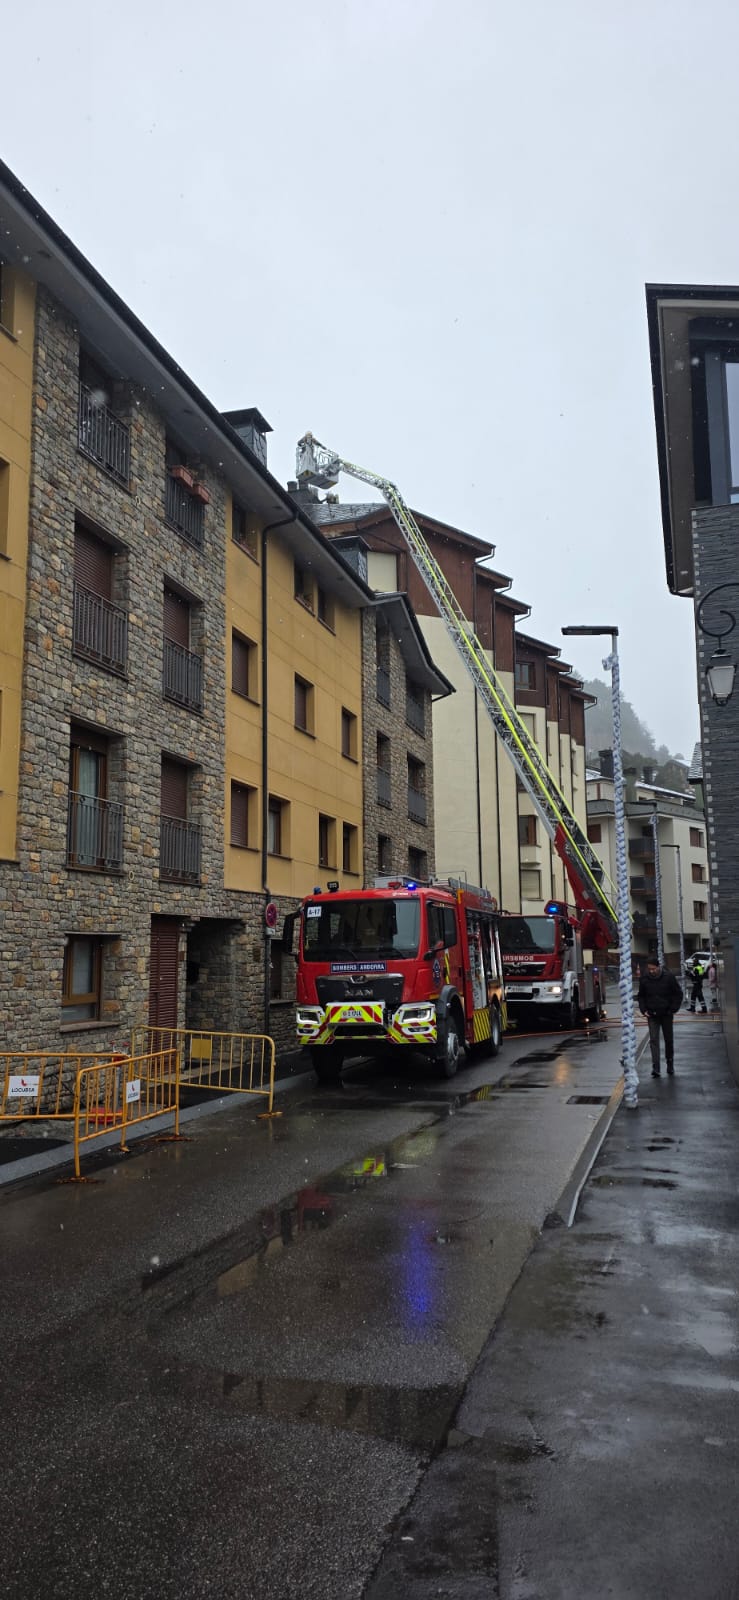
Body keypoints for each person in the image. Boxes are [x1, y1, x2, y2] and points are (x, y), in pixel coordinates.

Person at [637, 957, 683, 1078]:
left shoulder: (669, 977)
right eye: (649, 969)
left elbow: (678, 993)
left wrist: (673, 1009)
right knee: (653, 1040)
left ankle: (670, 1064)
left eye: (653, 969)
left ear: (658, 967)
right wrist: (644, 1010)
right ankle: (656, 1067)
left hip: (666, 1014)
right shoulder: (644, 979)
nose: (651, 971)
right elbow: (641, 996)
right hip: (652, 1014)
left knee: (668, 1040)